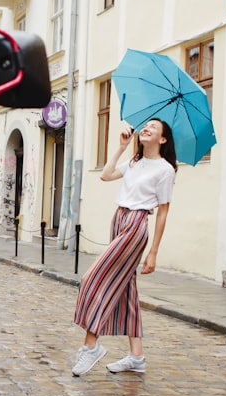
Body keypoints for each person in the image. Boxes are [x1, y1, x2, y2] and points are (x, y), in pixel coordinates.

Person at [71, 118, 177, 376]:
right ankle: (136, 357)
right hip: (119, 219)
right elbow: (106, 175)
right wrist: (121, 146)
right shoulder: (134, 162)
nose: (147, 128)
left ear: (162, 139)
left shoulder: (165, 170)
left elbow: (163, 212)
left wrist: (153, 251)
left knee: (93, 279)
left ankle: (91, 345)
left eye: (154, 127)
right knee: (126, 288)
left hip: (136, 224)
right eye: (146, 125)